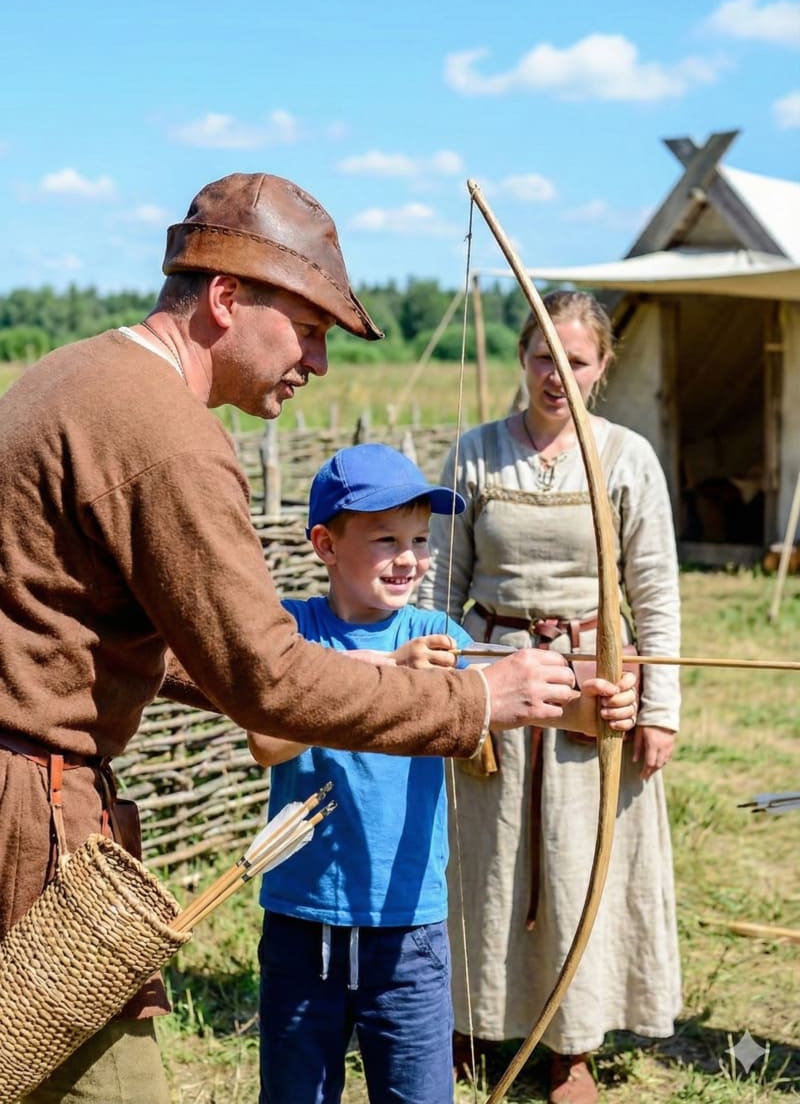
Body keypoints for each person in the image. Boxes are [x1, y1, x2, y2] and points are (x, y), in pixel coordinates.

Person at [0, 180, 637, 1104]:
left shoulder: (75, 375)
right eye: (306, 329)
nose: (321, 362)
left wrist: (364, 669)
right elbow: (263, 676)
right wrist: (477, 698)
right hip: (30, 808)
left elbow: (130, 637)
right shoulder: (165, 431)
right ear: (226, 298)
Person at [417, 290, 681, 1104]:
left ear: (602, 368)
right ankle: (470, 1024)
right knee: (483, 862)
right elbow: (439, 582)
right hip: (493, 679)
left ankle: (573, 1045)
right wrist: (435, 684)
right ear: (523, 357)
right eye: (543, 356)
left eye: (577, 360)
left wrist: (660, 708)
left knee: (578, 863)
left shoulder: (627, 456)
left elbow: (655, 590)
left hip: (592, 685)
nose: (556, 375)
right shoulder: (476, 453)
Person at [248, 442, 475, 1104]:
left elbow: (512, 692)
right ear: (326, 544)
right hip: (302, 923)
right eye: (385, 540)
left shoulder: (437, 635)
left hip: (408, 930)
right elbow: (267, 741)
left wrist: (592, 701)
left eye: (420, 539)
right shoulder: (292, 631)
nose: (409, 558)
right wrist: (388, 672)